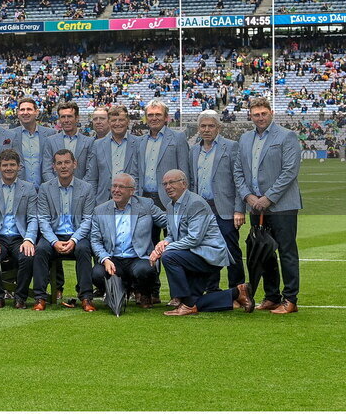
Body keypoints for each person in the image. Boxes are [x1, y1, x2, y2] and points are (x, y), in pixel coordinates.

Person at [152, 170, 255, 316]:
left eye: (172, 182)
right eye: (165, 184)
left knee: (169, 256)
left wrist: (162, 250)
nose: (168, 186)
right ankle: (237, 292)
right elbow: (171, 234)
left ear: (184, 184)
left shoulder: (195, 203)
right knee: (195, 301)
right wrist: (164, 242)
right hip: (194, 254)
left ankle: (182, 301)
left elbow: (195, 239)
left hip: (209, 255)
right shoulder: (170, 206)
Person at [237, 97, 302, 314]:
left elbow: (290, 171)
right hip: (256, 207)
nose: (260, 117)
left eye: (263, 113)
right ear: (250, 115)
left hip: (282, 206)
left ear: (271, 112)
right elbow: (238, 171)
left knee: (286, 251)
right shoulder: (245, 139)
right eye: (256, 114)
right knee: (264, 253)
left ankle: (290, 298)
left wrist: (269, 197)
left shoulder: (286, 136)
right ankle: (272, 296)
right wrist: (248, 197)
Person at [89, 173, 167, 309]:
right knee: (97, 273)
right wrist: (105, 259)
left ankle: (144, 293)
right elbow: (95, 240)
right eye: (114, 186)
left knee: (146, 270)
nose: (116, 190)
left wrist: (167, 240)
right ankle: (120, 291)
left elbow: (168, 221)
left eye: (121, 187)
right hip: (113, 258)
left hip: (139, 257)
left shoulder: (146, 205)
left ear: (132, 191)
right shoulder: (100, 210)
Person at [33, 149, 97, 311]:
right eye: (59, 163)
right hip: (53, 235)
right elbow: (43, 220)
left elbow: (87, 220)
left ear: (74, 164)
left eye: (67, 162)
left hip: (77, 234)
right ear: (53, 167)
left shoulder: (86, 188)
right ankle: (40, 297)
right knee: (40, 249)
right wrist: (54, 241)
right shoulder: (45, 188)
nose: (63, 166)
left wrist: (74, 240)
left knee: (84, 249)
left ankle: (86, 297)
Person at [192, 110, 246, 291]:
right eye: (203, 126)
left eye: (211, 126)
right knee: (206, 250)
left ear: (218, 128)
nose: (206, 129)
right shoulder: (194, 150)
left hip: (224, 208)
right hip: (202, 210)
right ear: (198, 128)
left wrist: (239, 209)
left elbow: (239, 180)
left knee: (231, 250)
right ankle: (212, 289)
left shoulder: (231, 147)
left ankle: (237, 291)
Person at [0, 149, 38, 309]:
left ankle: (20, 297)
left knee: (28, 257)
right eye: (5, 165)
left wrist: (28, 239)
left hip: (20, 236)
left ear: (19, 167)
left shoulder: (29, 188)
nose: (9, 168)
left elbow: (33, 218)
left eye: (12, 165)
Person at [135, 100, 191, 209]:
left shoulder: (178, 138)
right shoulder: (139, 141)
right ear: (146, 118)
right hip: (143, 199)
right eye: (150, 115)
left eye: (158, 114)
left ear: (166, 117)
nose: (154, 118)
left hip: (170, 199)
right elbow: (136, 172)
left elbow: (184, 171)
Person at [87, 105, 141, 205]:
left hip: (130, 200)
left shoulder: (139, 143)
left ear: (128, 121)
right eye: (114, 120)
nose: (117, 123)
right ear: (109, 122)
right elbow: (92, 178)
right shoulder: (97, 145)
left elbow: (139, 175)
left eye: (121, 120)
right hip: (103, 200)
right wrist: (93, 201)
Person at [6, 97, 55, 187]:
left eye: (29, 109)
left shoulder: (50, 134)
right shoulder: (11, 135)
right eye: (22, 110)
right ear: (18, 113)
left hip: (45, 188)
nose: (25, 113)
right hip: (19, 189)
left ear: (36, 112)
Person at [42, 102, 93, 182]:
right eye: (63, 117)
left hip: (81, 191)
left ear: (77, 118)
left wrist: (81, 189)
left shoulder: (89, 142)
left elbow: (90, 173)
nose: (66, 120)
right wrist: (56, 188)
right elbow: (47, 171)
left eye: (69, 116)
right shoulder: (50, 141)